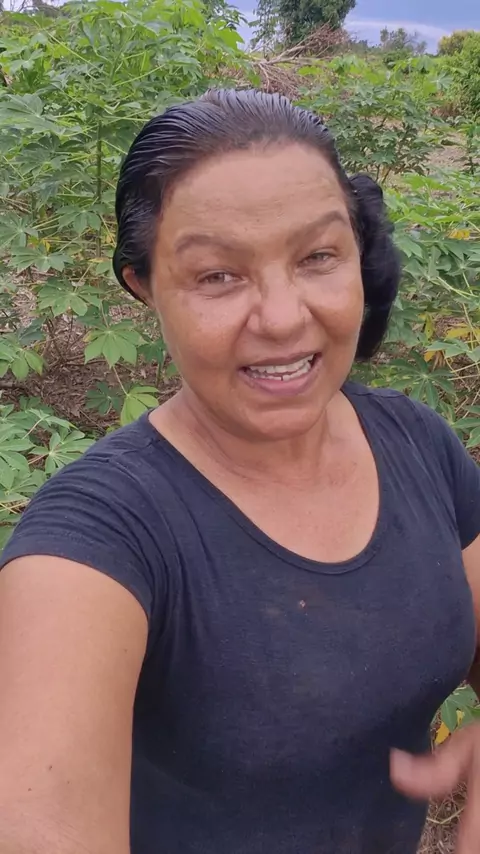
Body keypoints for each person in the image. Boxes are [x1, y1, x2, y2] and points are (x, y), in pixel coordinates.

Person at [0, 88, 479, 854]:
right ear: (144, 287)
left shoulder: (417, 443)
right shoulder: (93, 546)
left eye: (318, 257)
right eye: (218, 275)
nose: (283, 317)